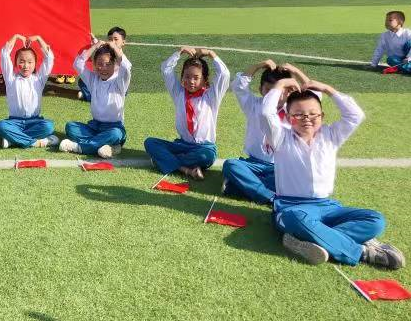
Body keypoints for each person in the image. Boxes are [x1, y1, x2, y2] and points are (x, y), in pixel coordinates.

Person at [264, 78, 405, 269]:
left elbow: (355, 115)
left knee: (375, 220)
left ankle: (310, 239)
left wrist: (328, 89)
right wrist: (280, 85)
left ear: (322, 116)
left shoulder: (331, 135)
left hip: (328, 207)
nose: (306, 118)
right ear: (289, 118)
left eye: (313, 114)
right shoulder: (280, 137)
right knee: (295, 220)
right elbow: (266, 113)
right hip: (291, 207)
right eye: (298, 114)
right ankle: (362, 251)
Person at [145, 47, 230, 180]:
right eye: (187, 77)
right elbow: (166, 70)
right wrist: (179, 52)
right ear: (182, 77)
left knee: (206, 156)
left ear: (204, 79)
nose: (191, 81)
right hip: (182, 145)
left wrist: (211, 54)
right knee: (150, 143)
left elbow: (224, 75)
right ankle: (186, 169)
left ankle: (167, 161)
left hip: (204, 147)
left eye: (196, 78)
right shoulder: (178, 93)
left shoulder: (211, 96)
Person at [221, 60, 299, 204]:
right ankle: (270, 197)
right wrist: (258, 66)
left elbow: (312, 97)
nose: (273, 96)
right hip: (252, 164)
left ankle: (240, 187)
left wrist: (295, 73)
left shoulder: (294, 111)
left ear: (289, 92)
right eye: (268, 90)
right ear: (260, 89)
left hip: (279, 167)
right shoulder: (254, 105)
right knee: (230, 165)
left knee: (296, 179)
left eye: (278, 91)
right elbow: (238, 86)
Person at [60, 40, 131, 158]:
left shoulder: (119, 82)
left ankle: (79, 147)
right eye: (99, 63)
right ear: (94, 64)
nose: (103, 68)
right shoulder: (93, 79)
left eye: (108, 64)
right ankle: (110, 146)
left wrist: (114, 47)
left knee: (115, 134)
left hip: (113, 127)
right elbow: (78, 63)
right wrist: (95, 46)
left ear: (115, 64)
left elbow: (127, 66)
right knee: (71, 127)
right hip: (94, 126)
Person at [0, 34, 59, 149]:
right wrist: (16, 37)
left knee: (49, 126)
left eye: (30, 62)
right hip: (14, 122)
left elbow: (49, 58)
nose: (26, 66)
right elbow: (4, 54)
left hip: (34, 122)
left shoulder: (39, 79)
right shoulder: (11, 79)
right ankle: (36, 142)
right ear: (16, 63)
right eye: (22, 61)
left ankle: (13, 140)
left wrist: (39, 39)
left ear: (35, 64)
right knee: (1, 126)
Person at [78, 27, 125, 101]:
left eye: (116, 39)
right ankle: (91, 95)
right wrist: (95, 40)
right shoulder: (107, 50)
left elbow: (124, 65)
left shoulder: (121, 57)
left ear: (123, 42)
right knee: (82, 81)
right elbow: (100, 47)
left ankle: (89, 97)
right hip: (103, 80)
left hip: (115, 85)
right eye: (110, 39)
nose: (112, 42)